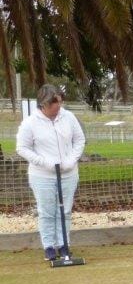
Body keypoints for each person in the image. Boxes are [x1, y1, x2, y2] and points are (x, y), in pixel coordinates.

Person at [15, 84, 86, 261]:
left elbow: (79, 140)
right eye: (55, 104)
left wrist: (71, 160)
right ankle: (49, 246)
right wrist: (44, 162)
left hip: (68, 173)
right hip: (42, 175)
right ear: (44, 104)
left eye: (60, 103)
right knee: (47, 211)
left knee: (65, 211)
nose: (58, 107)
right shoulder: (30, 123)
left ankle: (63, 245)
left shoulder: (68, 117)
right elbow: (22, 148)